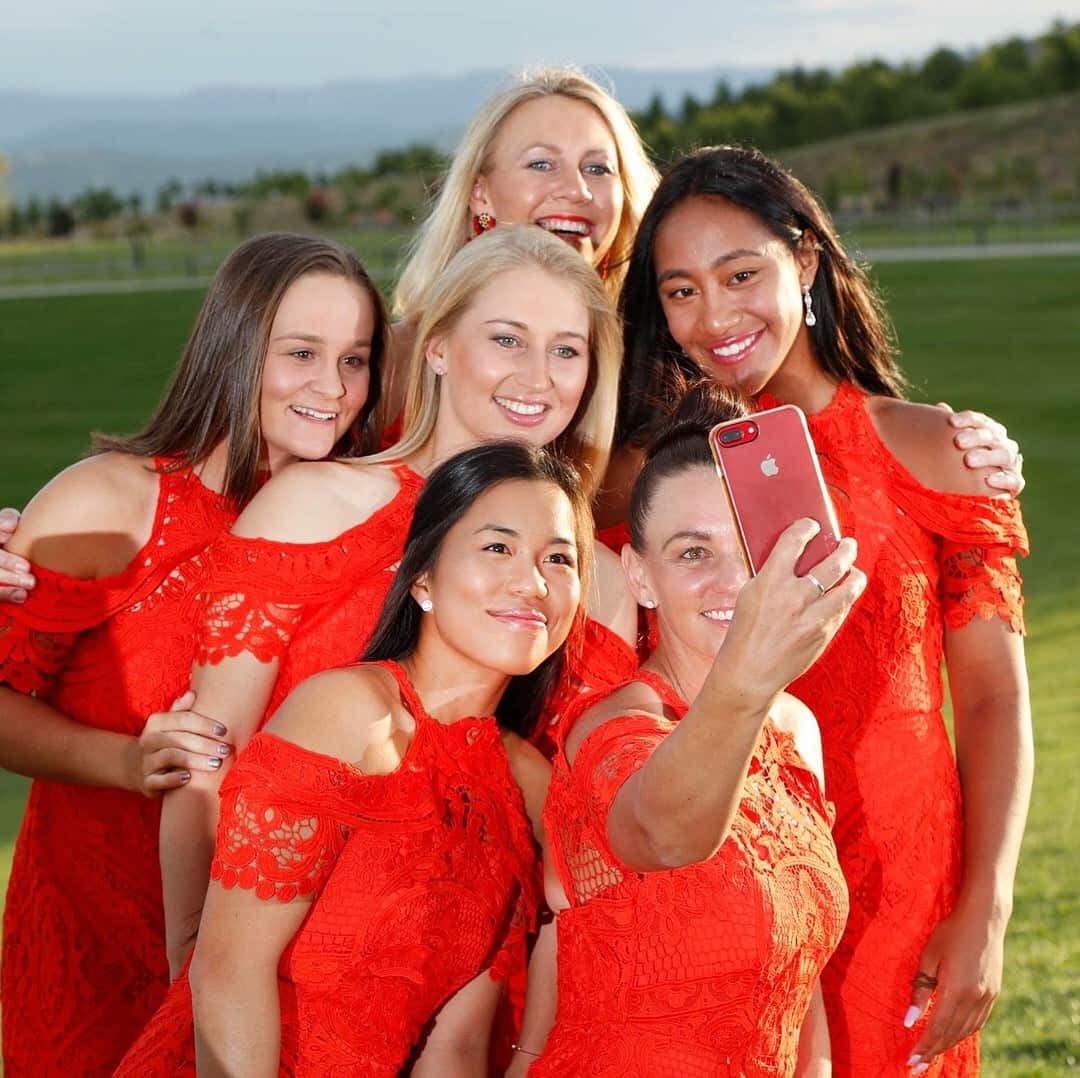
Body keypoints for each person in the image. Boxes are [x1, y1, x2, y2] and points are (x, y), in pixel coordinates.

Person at [616, 145, 1032, 1075]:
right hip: (733, 881)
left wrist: (987, 907)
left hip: (900, 890)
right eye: (680, 290)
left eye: (740, 274)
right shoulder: (655, 481)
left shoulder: (934, 451)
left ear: (804, 262)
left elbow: (996, 699)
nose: (713, 316)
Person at [156, 224, 636, 983]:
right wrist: (193, 956)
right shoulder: (314, 505)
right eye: (508, 341)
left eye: (567, 350)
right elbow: (207, 758)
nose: (539, 378)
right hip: (282, 970)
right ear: (438, 347)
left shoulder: (599, 581)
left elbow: (586, 813)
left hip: (489, 980)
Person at [0, 232, 387, 1075]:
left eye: (355, 359)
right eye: (300, 354)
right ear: (235, 347)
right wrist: (127, 761)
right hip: (92, 948)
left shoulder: (363, 521)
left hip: (264, 948)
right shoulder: (109, 503)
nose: (332, 387)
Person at [116, 440, 588, 1077]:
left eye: (558, 558)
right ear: (422, 578)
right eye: (497, 547)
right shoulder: (349, 711)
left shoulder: (527, 783)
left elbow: (454, 1047)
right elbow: (229, 972)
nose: (532, 583)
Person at [529, 382, 862, 1075]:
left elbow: (799, 979)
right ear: (640, 577)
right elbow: (666, 834)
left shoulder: (796, 729)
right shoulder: (613, 731)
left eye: (751, 546)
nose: (735, 581)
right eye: (692, 553)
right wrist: (748, 678)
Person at [380, 66, 659, 439]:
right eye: (541, 164)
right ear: (480, 194)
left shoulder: (650, 371)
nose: (578, 190)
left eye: (597, 168)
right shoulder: (392, 359)